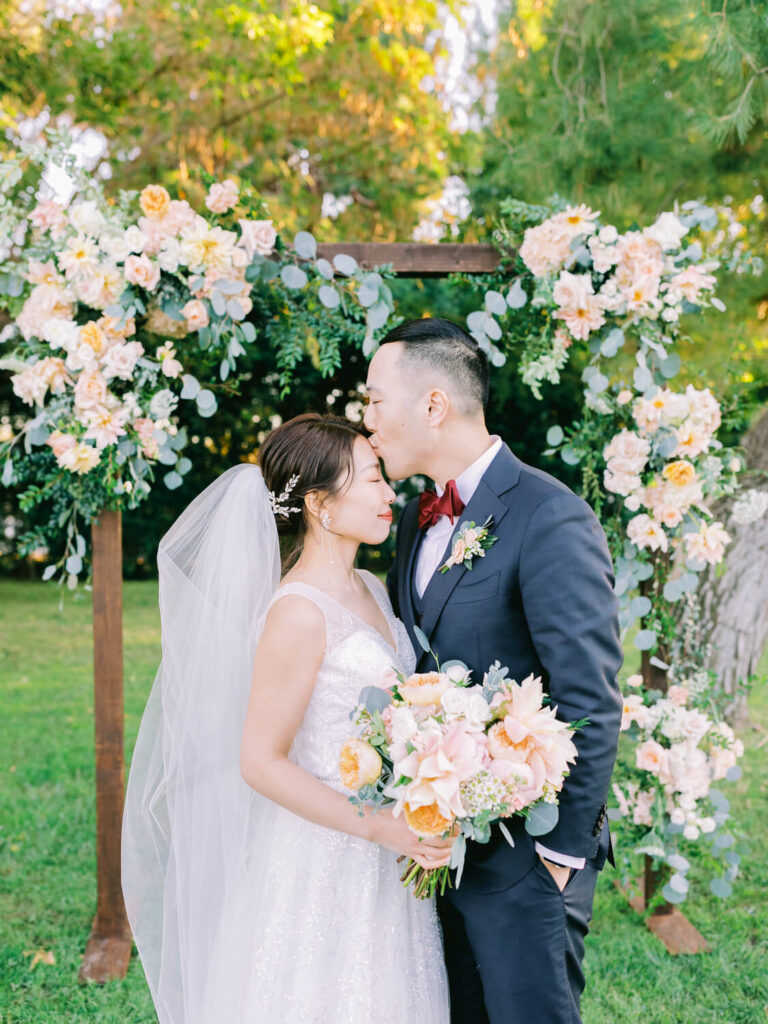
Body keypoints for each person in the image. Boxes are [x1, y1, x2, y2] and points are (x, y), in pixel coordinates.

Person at [121, 413, 452, 1024]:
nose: (390, 495)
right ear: (321, 504)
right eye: (374, 480)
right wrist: (379, 825)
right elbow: (260, 761)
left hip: (386, 852)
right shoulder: (298, 613)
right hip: (323, 858)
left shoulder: (372, 588)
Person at [364, 317, 624, 1024]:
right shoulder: (415, 522)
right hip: (440, 847)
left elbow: (592, 700)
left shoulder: (550, 517)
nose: (368, 420)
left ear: (434, 405)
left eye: (375, 400)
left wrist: (560, 856)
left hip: (526, 859)